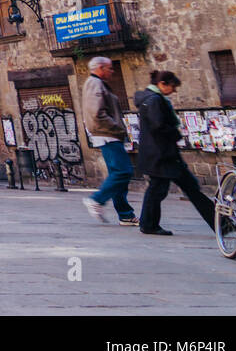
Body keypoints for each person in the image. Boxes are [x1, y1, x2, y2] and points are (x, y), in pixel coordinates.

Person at [136, 70, 217, 236]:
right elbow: (158, 126)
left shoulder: (149, 98)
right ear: (162, 84)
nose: (174, 91)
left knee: (169, 189)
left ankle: (148, 224)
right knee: (169, 189)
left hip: (159, 153)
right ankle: (148, 224)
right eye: (172, 87)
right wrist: (176, 133)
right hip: (162, 154)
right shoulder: (155, 100)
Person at [82, 56, 136, 225]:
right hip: (107, 135)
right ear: (100, 68)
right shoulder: (95, 84)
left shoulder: (97, 84)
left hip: (108, 134)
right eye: (110, 68)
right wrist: (116, 128)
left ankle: (125, 214)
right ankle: (97, 199)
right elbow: (97, 112)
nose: (112, 72)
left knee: (117, 174)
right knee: (123, 171)